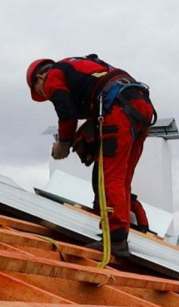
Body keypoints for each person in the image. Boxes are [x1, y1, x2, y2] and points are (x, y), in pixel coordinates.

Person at [27, 54, 157, 257]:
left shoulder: (53, 75)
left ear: (39, 79)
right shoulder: (80, 66)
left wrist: (63, 144)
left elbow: (67, 113)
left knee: (109, 176)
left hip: (119, 109)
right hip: (141, 106)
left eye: (40, 92)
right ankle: (118, 234)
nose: (46, 95)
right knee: (122, 177)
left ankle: (115, 241)